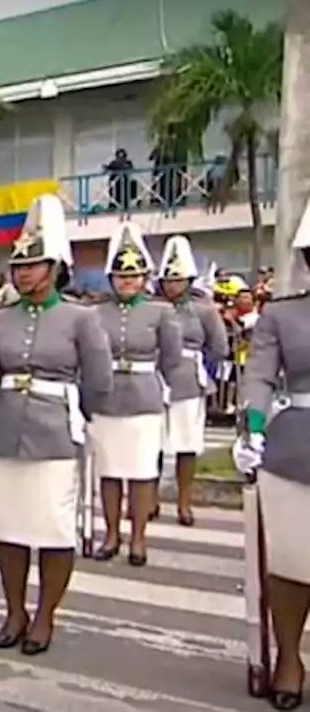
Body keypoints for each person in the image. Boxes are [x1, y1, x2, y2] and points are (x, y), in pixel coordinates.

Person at [0, 194, 113, 655]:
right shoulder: (0, 319)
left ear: (55, 269)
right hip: (5, 432)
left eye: (33, 265)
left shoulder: (80, 318)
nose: (23, 273)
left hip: (55, 434)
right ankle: (14, 610)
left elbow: (99, 379)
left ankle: (45, 614)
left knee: (51, 530)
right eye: (18, 266)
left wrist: (76, 412)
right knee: (8, 529)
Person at [233, 200, 310, 709]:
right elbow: (260, 375)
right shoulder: (283, 314)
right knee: (291, 562)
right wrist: (252, 425)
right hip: (295, 445)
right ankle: (287, 656)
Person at [87, 223, 182, 566]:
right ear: (110, 278)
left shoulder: (161, 312)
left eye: (134, 275)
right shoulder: (95, 312)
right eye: (120, 276)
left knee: (142, 472)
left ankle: (139, 538)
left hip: (144, 397)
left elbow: (171, 357)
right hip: (107, 398)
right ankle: (111, 534)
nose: (127, 281)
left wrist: (167, 389)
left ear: (145, 277)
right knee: (109, 471)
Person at [158, 235, 227, 526]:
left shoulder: (204, 309)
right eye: (167, 280)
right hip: (155, 379)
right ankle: (150, 500)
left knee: (187, 445)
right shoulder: (154, 307)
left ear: (189, 279)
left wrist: (203, 371)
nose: (172, 285)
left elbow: (219, 346)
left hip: (188, 380)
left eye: (178, 279)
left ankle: (184, 502)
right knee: (154, 444)